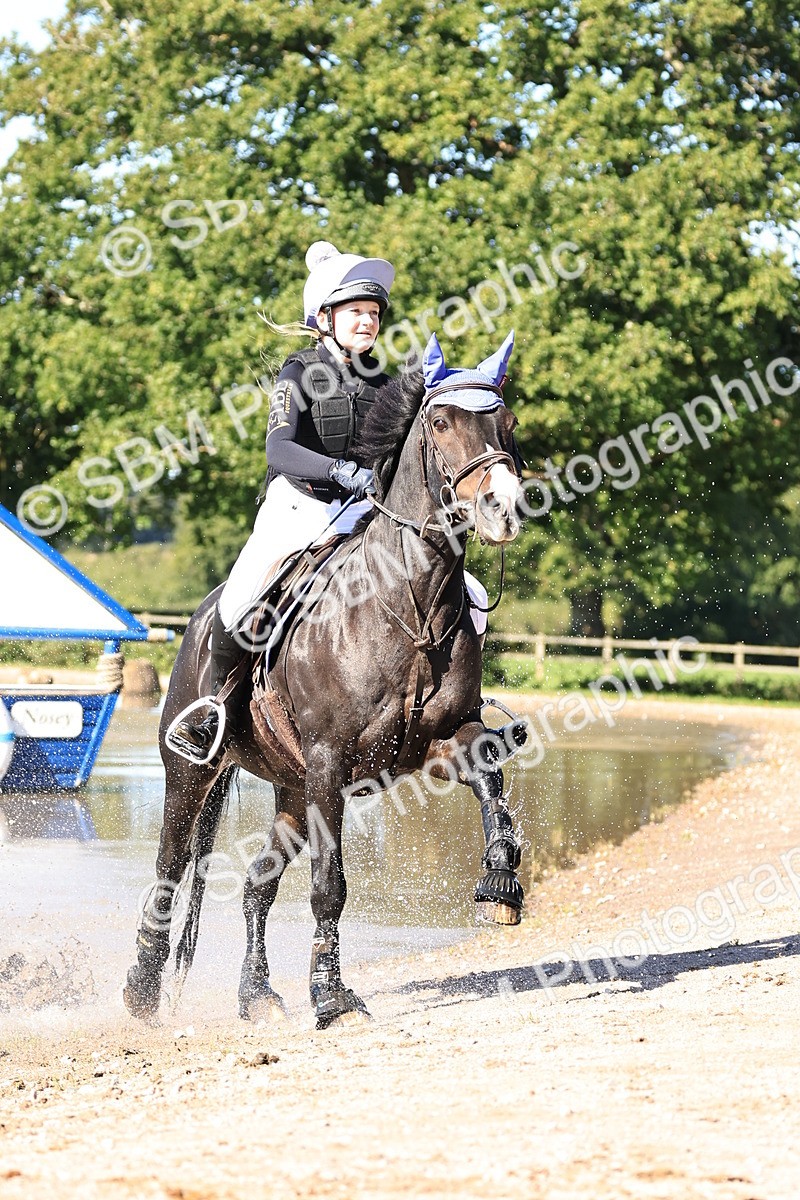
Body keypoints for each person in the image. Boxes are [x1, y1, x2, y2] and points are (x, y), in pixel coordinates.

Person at [173, 241, 506, 756]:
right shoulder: (298, 372)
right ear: (324, 317)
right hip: (298, 506)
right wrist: (340, 471)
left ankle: (463, 709)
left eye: (374, 313)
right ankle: (215, 710)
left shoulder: (387, 382)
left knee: (473, 598)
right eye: (356, 312)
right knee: (241, 600)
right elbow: (279, 448)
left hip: (366, 512)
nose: (368, 321)